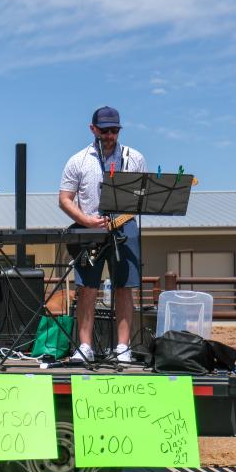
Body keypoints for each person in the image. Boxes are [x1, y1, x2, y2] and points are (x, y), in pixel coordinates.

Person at [60, 106, 147, 363]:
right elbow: (65, 199)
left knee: (124, 287)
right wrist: (85, 220)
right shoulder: (78, 160)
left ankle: (122, 347)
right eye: (105, 130)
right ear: (93, 129)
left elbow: (142, 196)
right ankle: (85, 346)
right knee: (87, 288)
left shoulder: (135, 158)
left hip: (125, 226)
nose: (110, 135)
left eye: (115, 130)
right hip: (90, 229)